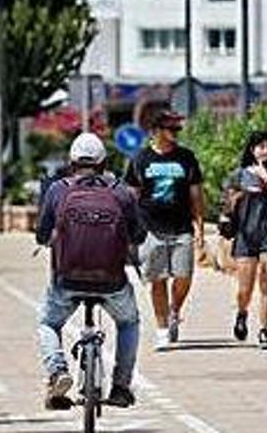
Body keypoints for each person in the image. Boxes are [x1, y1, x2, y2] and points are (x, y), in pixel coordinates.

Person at [35, 133, 146, 410]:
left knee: (48, 323)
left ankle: (58, 371)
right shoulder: (121, 192)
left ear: (72, 162)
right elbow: (140, 235)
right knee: (128, 322)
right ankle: (121, 386)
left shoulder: (57, 190)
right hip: (111, 281)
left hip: (66, 279)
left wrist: (48, 239)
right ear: (104, 162)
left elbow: (41, 233)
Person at [125, 109, 205, 351]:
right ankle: (162, 328)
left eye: (177, 129)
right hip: (151, 228)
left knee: (184, 276)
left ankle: (174, 310)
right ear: (157, 131)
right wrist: (130, 228)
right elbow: (132, 196)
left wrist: (199, 224)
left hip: (181, 227)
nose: (176, 133)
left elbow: (196, 195)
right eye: (172, 129)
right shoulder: (140, 159)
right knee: (158, 280)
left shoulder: (187, 157)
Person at [224, 131, 267, 349]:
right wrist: (237, 197)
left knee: (266, 285)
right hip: (246, 235)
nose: (264, 151)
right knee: (245, 289)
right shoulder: (239, 175)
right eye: (260, 146)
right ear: (252, 149)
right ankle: (242, 312)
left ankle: (264, 330)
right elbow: (226, 205)